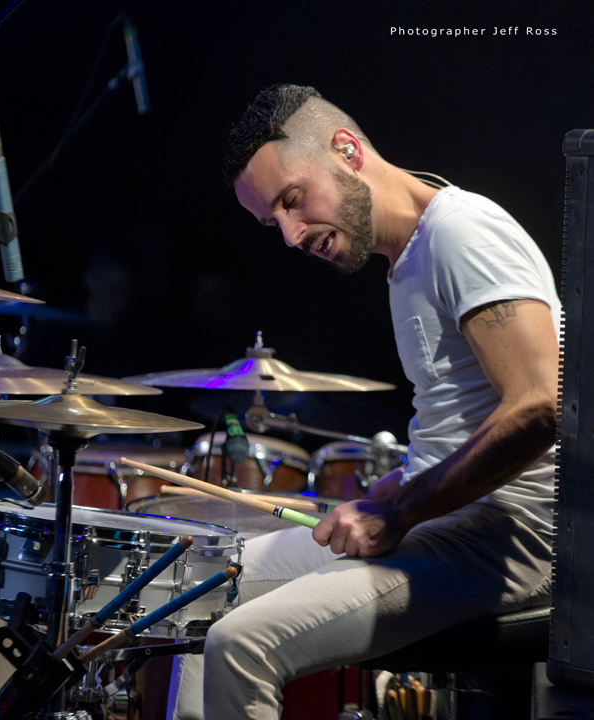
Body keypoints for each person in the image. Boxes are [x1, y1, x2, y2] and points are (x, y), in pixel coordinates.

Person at [168, 85, 559, 720]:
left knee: (240, 643)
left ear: (347, 150)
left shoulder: (461, 232)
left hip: (508, 540)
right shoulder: (407, 258)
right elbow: (461, 424)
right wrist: (390, 490)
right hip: (447, 523)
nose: (290, 235)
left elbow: (541, 407)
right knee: (195, 581)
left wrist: (398, 510)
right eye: (273, 223)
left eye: (292, 201)